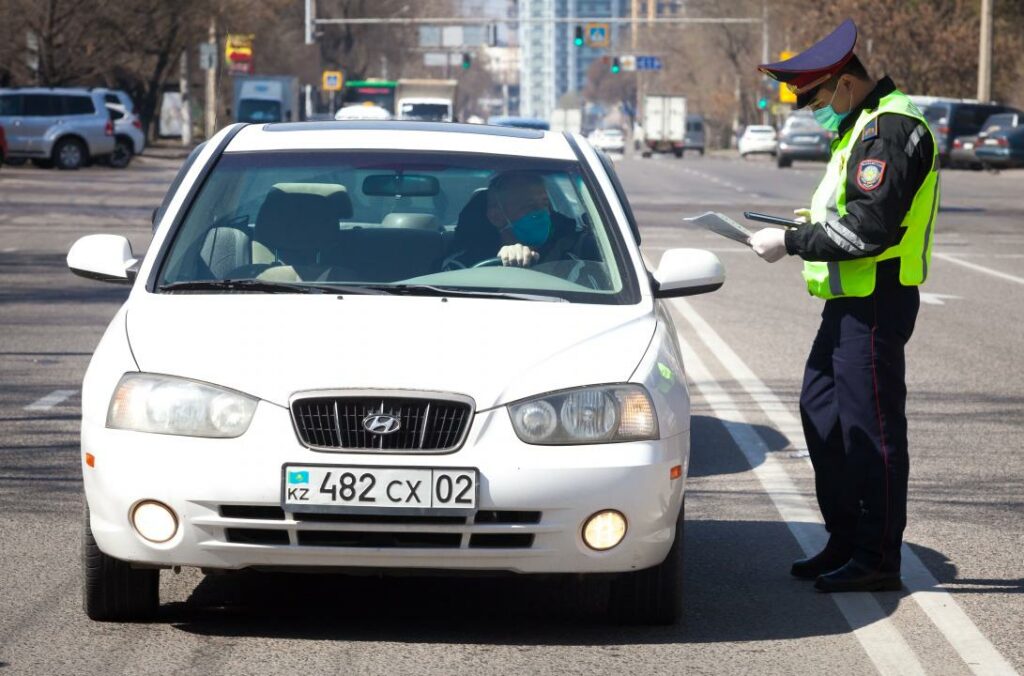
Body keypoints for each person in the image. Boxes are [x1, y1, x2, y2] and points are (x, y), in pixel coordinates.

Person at [751, 19, 939, 593]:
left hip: (877, 299)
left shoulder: (889, 129)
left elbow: (869, 230)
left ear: (845, 84)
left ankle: (878, 556)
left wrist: (789, 242)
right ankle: (846, 537)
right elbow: (846, 215)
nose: (813, 112)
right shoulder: (859, 128)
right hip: (848, 302)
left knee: (871, 430)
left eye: (814, 101)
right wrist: (802, 226)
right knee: (822, 411)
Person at [451, 170, 587, 268]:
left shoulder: (574, 258)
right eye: (530, 207)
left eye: (545, 204)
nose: (542, 213)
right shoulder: (461, 265)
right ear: (496, 217)